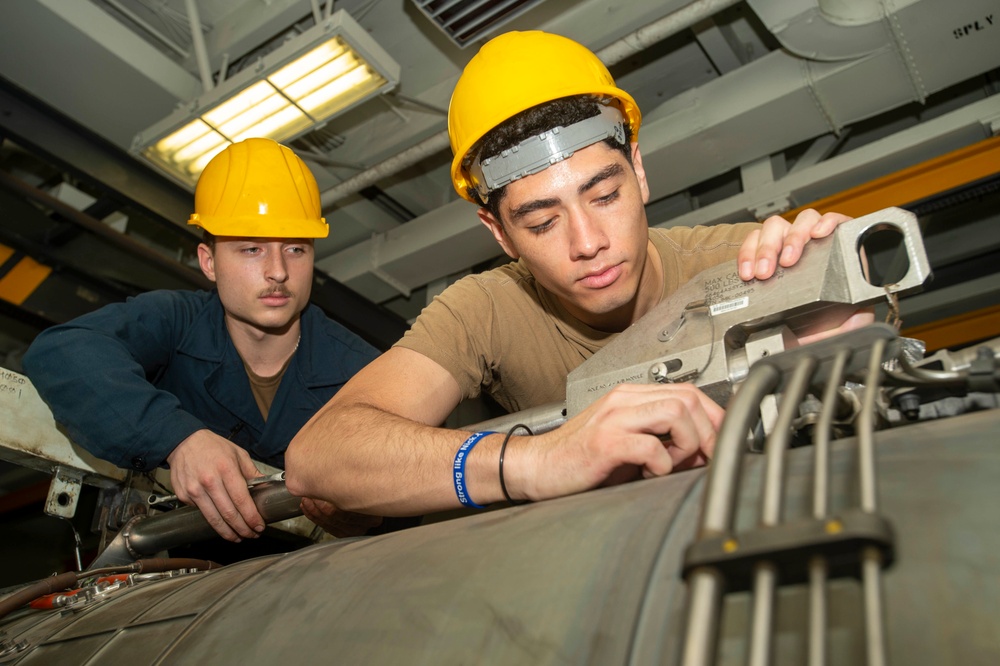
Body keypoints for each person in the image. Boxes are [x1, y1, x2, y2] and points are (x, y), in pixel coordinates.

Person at [284, 31, 872, 516]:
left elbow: (857, 352)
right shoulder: (485, 309)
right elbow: (319, 455)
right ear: (499, 234)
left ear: (638, 171)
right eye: (541, 223)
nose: (588, 243)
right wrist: (540, 461)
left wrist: (827, 289)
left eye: (605, 194)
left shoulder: (742, 264)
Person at [23, 138, 380, 542]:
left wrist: (375, 510)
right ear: (208, 262)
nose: (278, 271)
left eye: (296, 248)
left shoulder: (363, 371)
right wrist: (178, 438)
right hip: (178, 575)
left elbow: (417, 470)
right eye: (250, 249)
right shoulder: (176, 322)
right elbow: (62, 352)